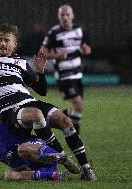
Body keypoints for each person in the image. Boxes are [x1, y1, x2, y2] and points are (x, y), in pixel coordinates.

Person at [0, 23, 96, 180]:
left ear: (14, 43)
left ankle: (87, 169)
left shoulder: (21, 62)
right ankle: (61, 156)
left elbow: (42, 91)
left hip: (29, 101)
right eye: (0, 40)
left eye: (7, 40)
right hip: (9, 110)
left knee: (65, 121)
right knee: (35, 115)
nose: (2, 43)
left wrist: (40, 73)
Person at [40, 5, 91, 135]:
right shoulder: (54, 33)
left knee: (77, 109)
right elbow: (42, 53)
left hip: (77, 74)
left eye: (67, 15)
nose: (65, 17)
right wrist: (57, 56)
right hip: (64, 75)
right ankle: (75, 138)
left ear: (72, 16)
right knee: (78, 105)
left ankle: (49, 120)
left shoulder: (78, 30)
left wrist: (86, 49)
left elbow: (83, 46)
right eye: (62, 15)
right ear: (58, 17)